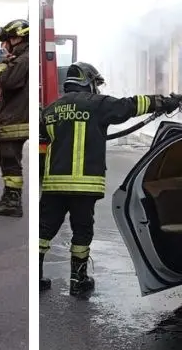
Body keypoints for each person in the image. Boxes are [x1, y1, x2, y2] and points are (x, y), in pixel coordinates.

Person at [39, 61, 182, 295]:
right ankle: (78, 280)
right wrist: (164, 102)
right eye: (95, 83)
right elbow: (131, 105)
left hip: (54, 184)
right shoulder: (98, 105)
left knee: (44, 231)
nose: (97, 88)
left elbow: (44, 138)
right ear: (87, 82)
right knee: (82, 232)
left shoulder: (52, 109)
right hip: (84, 185)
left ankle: (38, 277)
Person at [0, 19, 29, 218]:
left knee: (9, 158)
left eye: (6, 41)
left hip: (16, 119)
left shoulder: (22, 60)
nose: (4, 46)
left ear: (17, 38)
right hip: (15, 117)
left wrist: (2, 66)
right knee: (4, 155)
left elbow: (8, 81)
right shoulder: (21, 59)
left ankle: (12, 202)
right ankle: (10, 199)